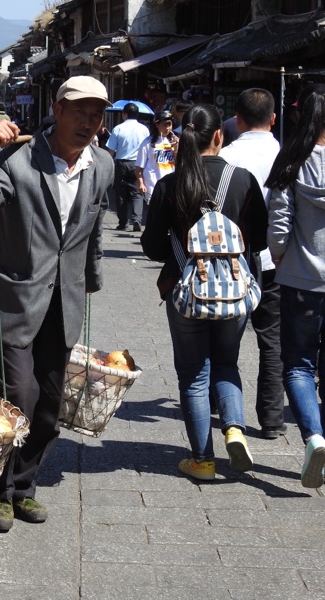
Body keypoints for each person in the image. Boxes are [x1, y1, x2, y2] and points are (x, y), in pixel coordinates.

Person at [0, 76, 114, 532]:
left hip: (64, 303)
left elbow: (94, 228)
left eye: (96, 114)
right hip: (15, 300)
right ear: (58, 110)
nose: (88, 121)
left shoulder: (102, 164)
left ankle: (24, 488)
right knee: (17, 400)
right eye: (80, 111)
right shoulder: (19, 159)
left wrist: (92, 280)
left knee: (48, 411)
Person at [141, 104, 268, 482]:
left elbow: (152, 246)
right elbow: (259, 240)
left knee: (194, 374)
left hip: (186, 291)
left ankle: (202, 460)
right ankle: (234, 430)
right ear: (218, 136)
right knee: (227, 363)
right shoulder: (243, 180)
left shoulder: (169, 184)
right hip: (233, 290)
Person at [265, 84, 325, 488]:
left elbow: (279, 221)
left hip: (302, 279)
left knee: (299, 365)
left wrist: (280, 255)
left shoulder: (293, 159)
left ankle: (314, 438)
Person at [219, 88, 283, 439]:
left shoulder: (226, 156)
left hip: (231, 262)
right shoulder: (286, 155)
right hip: (274, 260)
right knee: (272, 340)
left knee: (225, 341)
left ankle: (223, 405)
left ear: (237, 119)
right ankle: (272, 419)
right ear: (273, 118)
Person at [106, 103, 150, 232]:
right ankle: (137, 219)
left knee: (121, 194)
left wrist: (107, 164)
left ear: (124, 114)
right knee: (137, 192)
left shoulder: (118, 128)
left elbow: (111, 150)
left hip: (122, 163)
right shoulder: (144, 129)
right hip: (138, 163)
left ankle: (123, 222)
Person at [134, 110, 178, 222]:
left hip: (171, 184)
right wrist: (141, 183)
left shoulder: (175, 141)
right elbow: (139, 166)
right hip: (153, 184)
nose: (167, 128)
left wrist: (177, 148)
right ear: (156, 125)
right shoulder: (148, 143)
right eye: (164, 125)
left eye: (169, 124)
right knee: (155, 215)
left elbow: (180, 162)